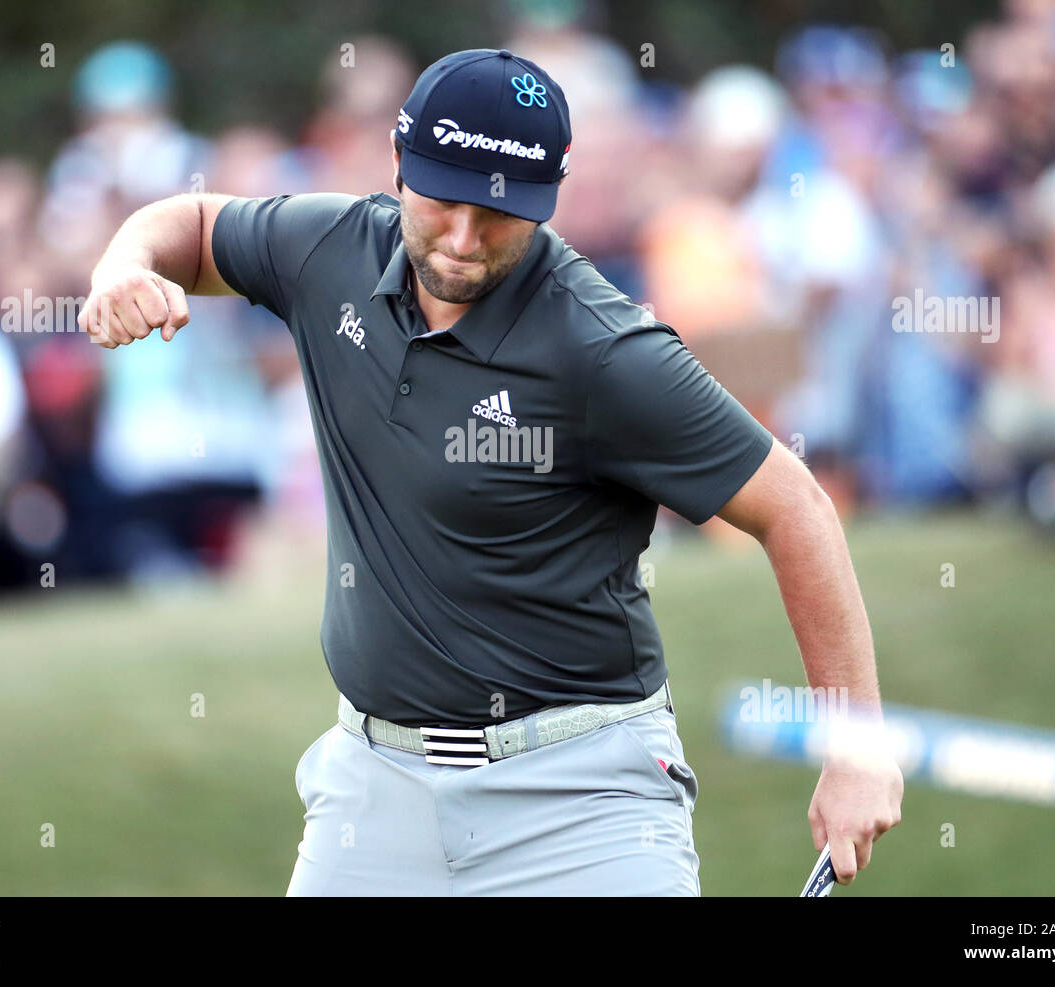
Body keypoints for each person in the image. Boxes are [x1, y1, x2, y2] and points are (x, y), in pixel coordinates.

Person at [77, 48, 902, 896]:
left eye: (500, 215)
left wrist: (857, 751)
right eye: (441, 202)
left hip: (581, 798)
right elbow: (199, 224)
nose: (465, 242)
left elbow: (796, 508)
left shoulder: (605, 349)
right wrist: (125, 265)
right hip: (373, 788)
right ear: (398, 164)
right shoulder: (330, 252)